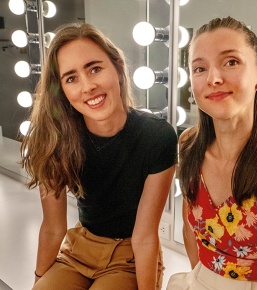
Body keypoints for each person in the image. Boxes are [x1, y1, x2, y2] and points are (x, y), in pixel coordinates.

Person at [20, 22, 177, 290]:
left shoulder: (157, 137)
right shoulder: (54, 139)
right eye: (71, 78)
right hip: (78, 248)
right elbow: (53, 227)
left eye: (94, 68)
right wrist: (39, 281)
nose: (87, 86)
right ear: (62, 91)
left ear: (117, 68)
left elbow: (145, 235)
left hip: (129, 254)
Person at [166, 17, 257, 290]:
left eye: (231, 62)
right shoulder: (188, 144)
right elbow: (191, 232)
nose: (213, 78)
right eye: (200, 68)